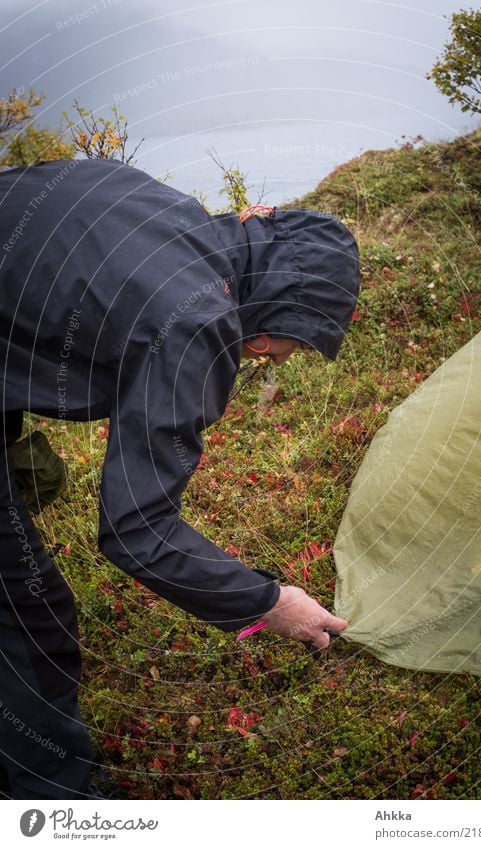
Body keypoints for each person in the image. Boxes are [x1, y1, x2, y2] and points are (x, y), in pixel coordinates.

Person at [0, 158, 359, 799]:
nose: (266, 356)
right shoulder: (197, 321)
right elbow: (136, 528)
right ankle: (51, 808)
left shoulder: (150, 199)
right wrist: (267, 602)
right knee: (22, 624)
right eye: (283, 344)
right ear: (275, 307)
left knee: (33, 608)